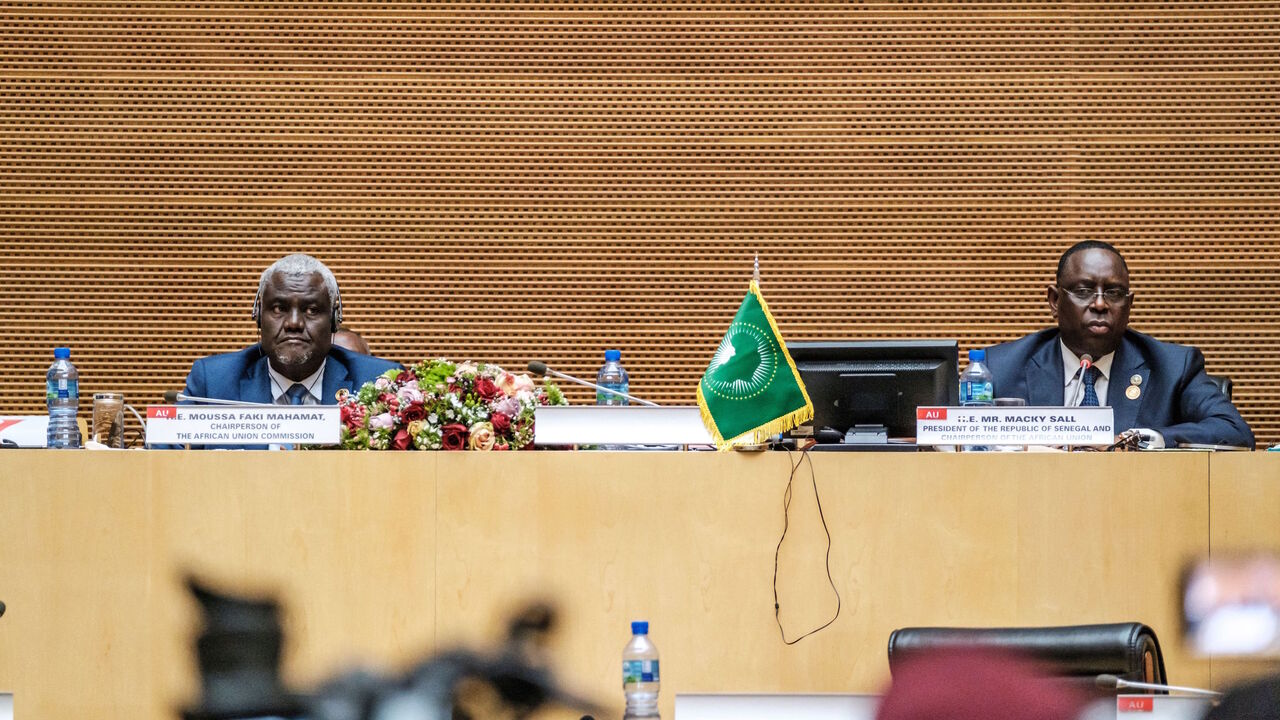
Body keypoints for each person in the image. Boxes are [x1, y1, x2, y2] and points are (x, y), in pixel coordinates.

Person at [985, 241, 1254, 449]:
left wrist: (1138, 440)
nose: (1100, 304)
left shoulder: (1173, 368)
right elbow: (954, 445)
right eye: (1083, 291)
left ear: (1129, 305)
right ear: (1054, 301)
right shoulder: (999, 368)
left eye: (1113, 293)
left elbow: (1234, 432)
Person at [180, 254, 399, 409]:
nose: (294, 323)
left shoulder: (379, 382)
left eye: (312, 310)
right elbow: (168, 460)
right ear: (258, 316)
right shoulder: (213, 384)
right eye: (279, 308)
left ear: (334, 321)